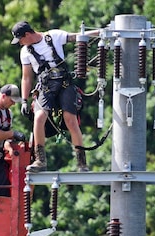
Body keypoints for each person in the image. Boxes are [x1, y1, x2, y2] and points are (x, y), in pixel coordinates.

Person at [11, 21, 97, 172]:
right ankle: (40, 161)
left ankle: (81, 163)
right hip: (46, 86)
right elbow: (27, 77)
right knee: (38, 119)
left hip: (64, 83)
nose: (20, 44)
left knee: (70, 120)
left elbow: (77, 37)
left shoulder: (53, 36)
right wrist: (24, 100)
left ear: (27, 34)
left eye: (21, 40)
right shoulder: (25, 52)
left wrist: (100, 32)